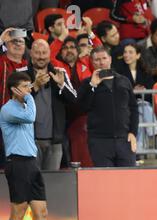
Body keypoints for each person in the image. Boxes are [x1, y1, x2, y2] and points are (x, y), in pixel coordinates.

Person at [0, 71, 79, 220]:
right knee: (18, 211)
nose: (29, 90)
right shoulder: (7, 110)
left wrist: (30, 90)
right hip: (17, 163)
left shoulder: (24, 104)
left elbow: (29, 108)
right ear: (14, 90)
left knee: (41, 211)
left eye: (29, 86)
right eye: (25, 87)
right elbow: (31, 116)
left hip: (31, 163)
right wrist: (29, 94)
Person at [77, 46, 138, 167]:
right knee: (105, 182)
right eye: (97, 59)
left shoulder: (124, 80)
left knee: (128, 180)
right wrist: (92, 86)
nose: (101, 62)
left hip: (124, 139)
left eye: (104, 58)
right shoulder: (86, 84)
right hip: (99, 141)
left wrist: (133, 132)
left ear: (110, 59)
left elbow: (133, 108)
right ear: (92, 62)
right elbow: (82, 108)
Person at [27, 39, 77, 170]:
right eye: (37, 52)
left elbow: (74, 99)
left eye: (44, 52)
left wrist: (61, 85)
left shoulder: (60, 72)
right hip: (29, 141)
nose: (41, 56)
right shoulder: (21, 73)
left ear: (50, 54)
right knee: (32, 181)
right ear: (31, 53)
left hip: (55, 141)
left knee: (51, 183)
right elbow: (16, 102)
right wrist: (34, 86)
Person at [52, 36, 94, 168]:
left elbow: (101, 54)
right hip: (62, 116)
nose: (69, 50)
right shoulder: (58, 66)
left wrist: (90, 33)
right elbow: (49, 53)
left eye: (72, 47)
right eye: (65, 48)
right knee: (64, 149)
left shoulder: (86, 63)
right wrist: (60, 39)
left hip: (83, 114)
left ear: (78, 50)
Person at [0, 28, 29, 169]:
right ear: (6, 45)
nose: (17, 44)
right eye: (13, 41)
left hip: (22, 125)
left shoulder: (28, 66)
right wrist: (1, 40)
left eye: (21, 42)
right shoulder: (2, 62)